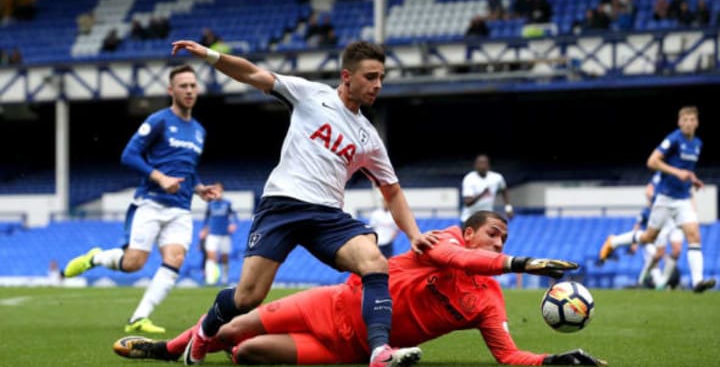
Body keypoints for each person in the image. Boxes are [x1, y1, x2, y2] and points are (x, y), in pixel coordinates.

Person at [170, 39, 437, 366]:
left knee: (374, 262)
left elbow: (391, 190)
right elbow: (253, 74)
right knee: (247, 297)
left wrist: (413, 234)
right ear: (346, 76)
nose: (377, 85)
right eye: (370, 76)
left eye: (381, 77)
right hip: (281, 206)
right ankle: (205, 332)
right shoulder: (310, 94)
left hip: (327, 216)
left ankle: (380, 351)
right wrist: (209, 56)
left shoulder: (368, 137)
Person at [113, 211, 606, 366]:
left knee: (245, 353)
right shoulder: (438, 242)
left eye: (505, 237)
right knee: (235, 324)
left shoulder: (489, 301)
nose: (498, 240)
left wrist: (554, 361)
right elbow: (459, 258)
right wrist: (517, 262)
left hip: (354, 346)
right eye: (492, 234)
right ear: (470, 233)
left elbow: (508, 356)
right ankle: (165, 349)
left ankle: (203, 347)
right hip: (332, 304)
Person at [61, 65, 220, 333]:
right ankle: (96, 258)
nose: (190, 90)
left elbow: (187, 169)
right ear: (171, 90)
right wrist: (160, 178)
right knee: (133, 263)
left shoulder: (199, 131)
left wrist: (199, 188)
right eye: (183, 86)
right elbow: (129, 155)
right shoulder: (158, 120)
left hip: (181, 208)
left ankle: (139, 318)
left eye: (193, 85)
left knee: (176, 258)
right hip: (151, 202)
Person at [598, 106, 716, 293]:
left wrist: (693, 179)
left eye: (691, 119)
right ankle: (613, 241)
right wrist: (678, 173)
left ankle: (697, 282)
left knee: (694, 236)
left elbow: (686, 168)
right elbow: (652, 161)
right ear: (679, 122)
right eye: (684, 120)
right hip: (665, 198)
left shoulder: (697, 143)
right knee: (648, 237)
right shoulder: (674, 138)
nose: (688, 123)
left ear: (697, 122)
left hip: (684, 199)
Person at [600, 171, 683, 289]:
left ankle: (660, 283)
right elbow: (648, 192)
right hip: (652, 233)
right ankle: (614, 241)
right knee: (654, 252)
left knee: (667, 253)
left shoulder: (682, 173)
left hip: (672, 217)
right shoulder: (661, 176)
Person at [200, 182, 239, 285]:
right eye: (215, 190)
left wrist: (233, 224)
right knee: (211, 256)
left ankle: (225, 278)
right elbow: (206, 218)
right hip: (212, 234)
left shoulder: (227, 203)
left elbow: (234, 215)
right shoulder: (210, 204)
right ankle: (210, 280)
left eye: (219, 190)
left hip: (224, 235)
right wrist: (204, 229)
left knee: (225, 257)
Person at [460, 154, 513, 223]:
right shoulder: (469, 179)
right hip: (469, 219)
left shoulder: (497, 177)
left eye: (484, 163)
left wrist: (508, 208)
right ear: (475, 165)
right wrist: (482, 194)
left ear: (488, 165)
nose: (482, 166)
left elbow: (504, 190)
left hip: (487, 219)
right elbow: (468, 202)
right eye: (480, 163)